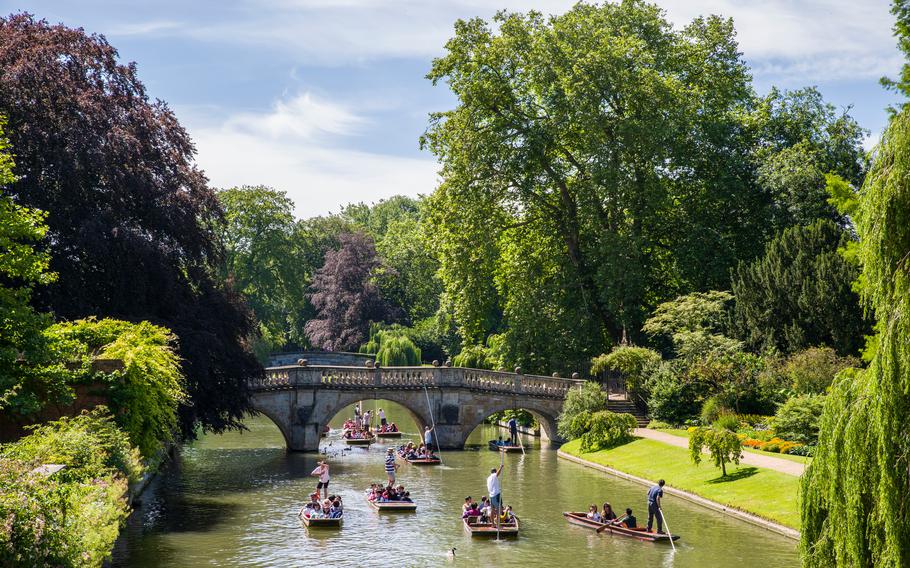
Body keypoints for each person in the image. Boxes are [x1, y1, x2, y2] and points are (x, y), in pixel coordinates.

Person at [487, 456, 504, 526]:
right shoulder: (494, 475)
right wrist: (501, 467)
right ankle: (497, 521)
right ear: (494, 472)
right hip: (496, 494)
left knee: (492, 510)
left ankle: (493, 524)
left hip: (491, 495)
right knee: (500, 509)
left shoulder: (488, 478)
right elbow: (497, 474)